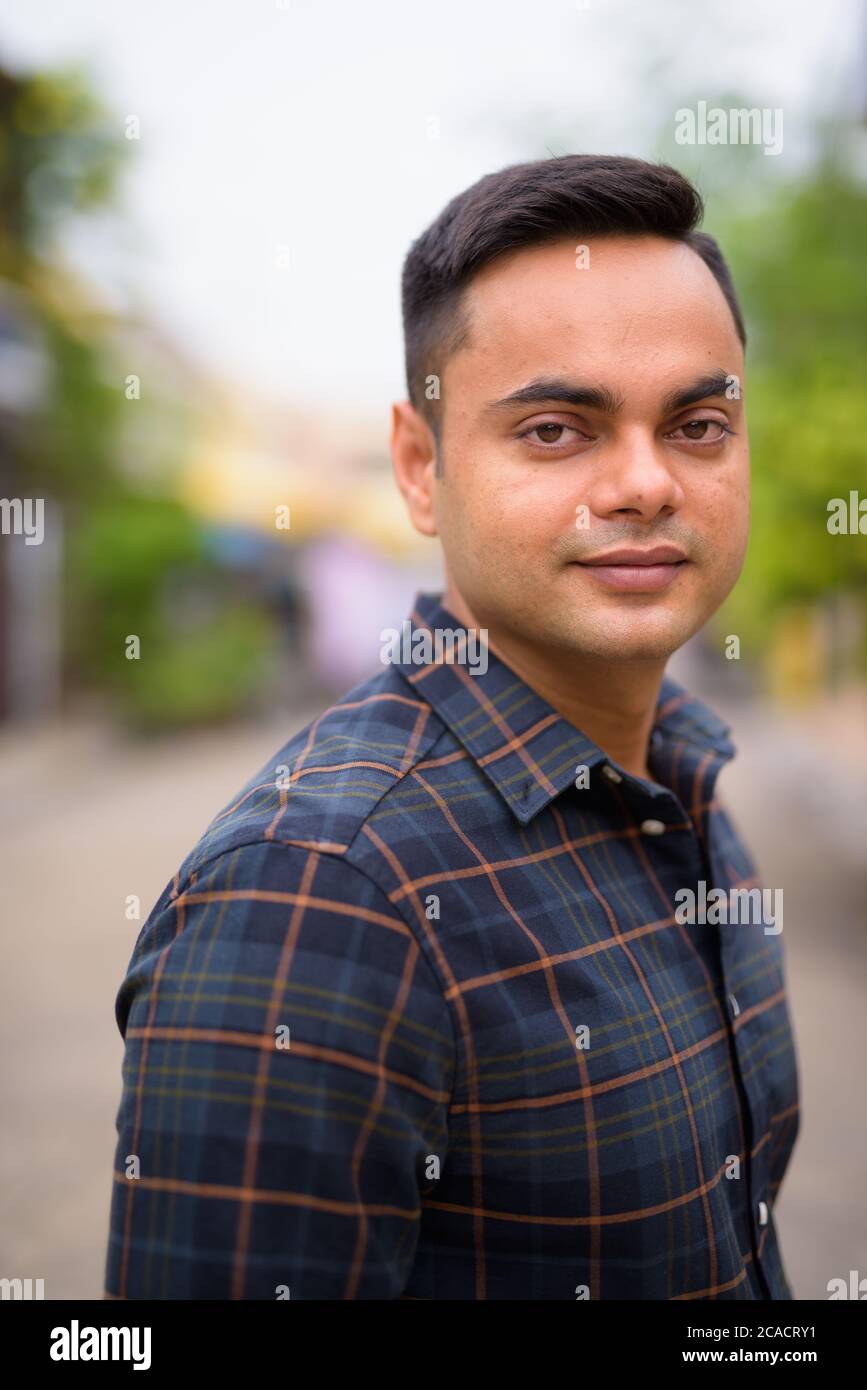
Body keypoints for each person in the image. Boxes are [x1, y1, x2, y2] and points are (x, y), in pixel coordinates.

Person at [104, 154, 800, 1300]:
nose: (645, 483)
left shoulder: (684, 780)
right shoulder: (320, 893)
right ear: (421, 469)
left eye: (699, 423)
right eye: (555, 430)